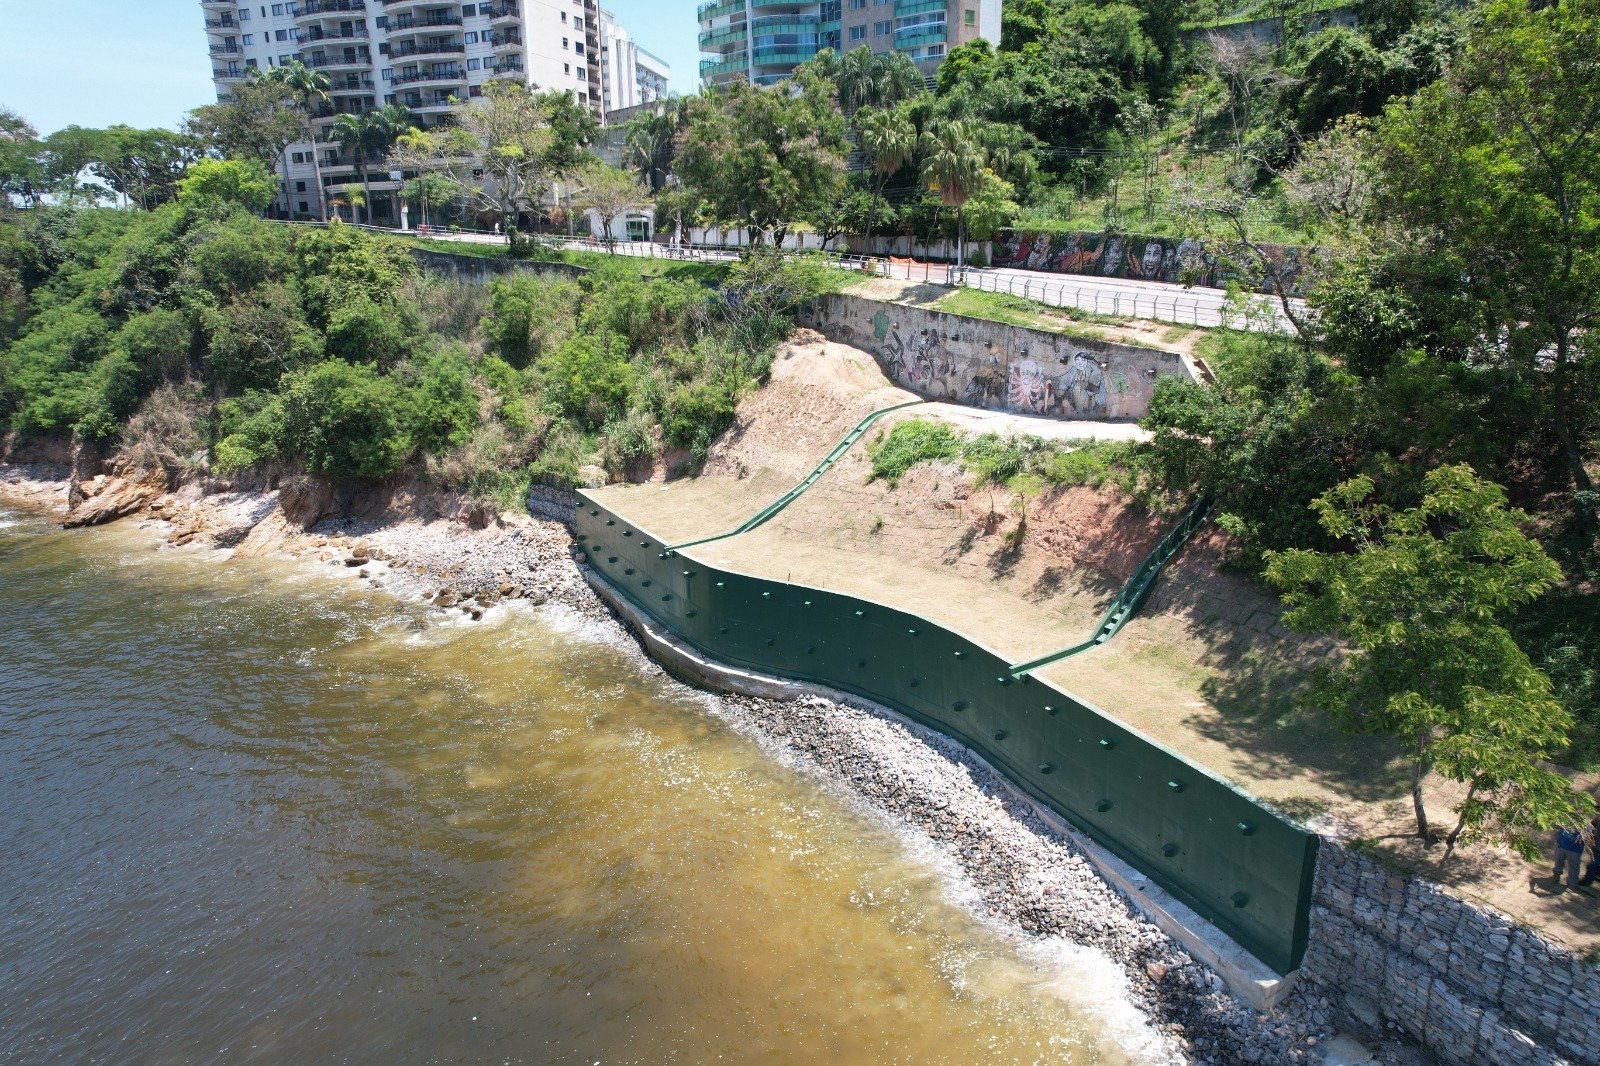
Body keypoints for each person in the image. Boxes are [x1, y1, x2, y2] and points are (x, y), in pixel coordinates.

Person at [1580, 816, 1600, 887]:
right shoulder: (1598, 820)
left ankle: (1587, 881)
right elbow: (1591, 826)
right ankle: (1589, 879)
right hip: (1597, 848)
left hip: (1597, 848)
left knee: (1592, 865)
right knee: (1593, 865)